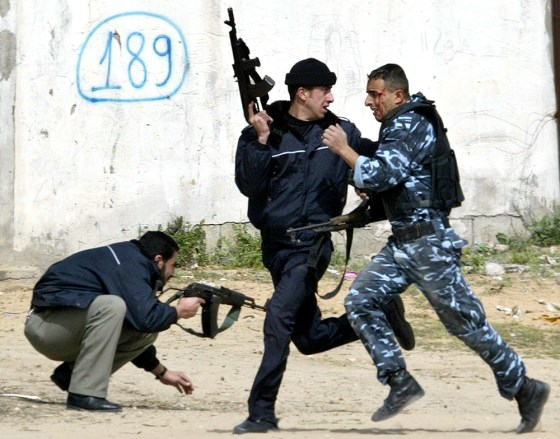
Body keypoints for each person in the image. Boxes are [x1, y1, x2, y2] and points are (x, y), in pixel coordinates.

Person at [323, 63, 550, 434]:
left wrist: (343, 149)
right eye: (368, 93)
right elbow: (394, 181)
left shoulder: (410, 123)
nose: (368, 101)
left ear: (398, 95)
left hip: (428, 246)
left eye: (375, 94)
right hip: (403, 243)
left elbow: (381, 173)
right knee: (360, 299)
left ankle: (525, 387)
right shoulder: (397, 125)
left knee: (465, 324)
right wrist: (363, 206)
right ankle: (399, 381)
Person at [233, 58, 415, 434]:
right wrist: (261, 141)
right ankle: (378, 315)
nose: (331, 98)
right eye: (324, 91)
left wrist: (367, 175)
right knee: (309, 339)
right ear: (303, 93)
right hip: (276, 249)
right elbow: (249, 187)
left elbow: (375, 164)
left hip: (312, 246)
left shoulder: (341, 130)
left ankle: (261, 412)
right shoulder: (264, 132)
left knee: (278, 319)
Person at [24, 231, 205, 412]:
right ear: (159, 260)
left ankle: (72, 376)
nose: (173, 273)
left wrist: (162, 372)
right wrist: (178, 311)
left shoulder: (131, 260)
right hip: (45, 326)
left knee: (143, 329)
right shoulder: (131, 265)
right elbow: (146, 318)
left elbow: (139, 326)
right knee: (112, 306)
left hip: (62, 326)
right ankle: (85, 394)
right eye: (173, 265)